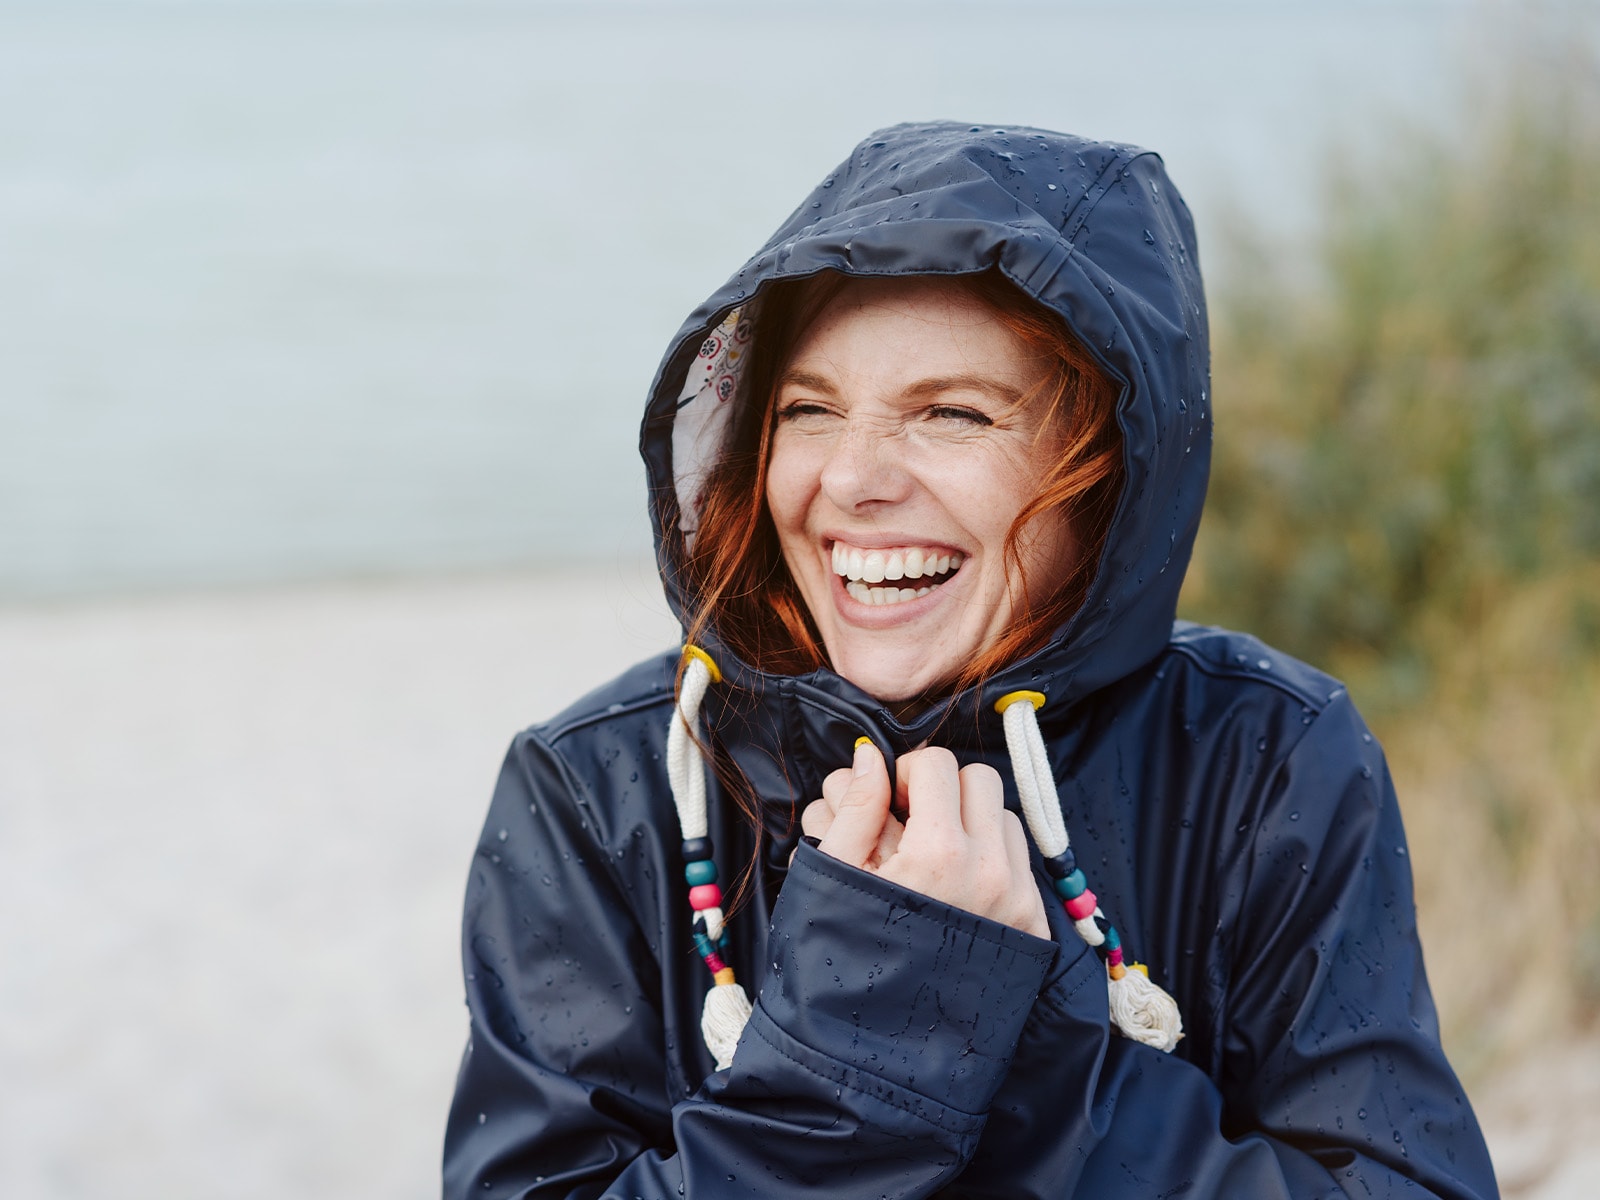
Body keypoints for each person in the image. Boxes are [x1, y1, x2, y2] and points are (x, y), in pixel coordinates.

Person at [442, 122, 1498, 1199]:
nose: (850, 479)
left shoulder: (1265, 760)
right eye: (807, 409)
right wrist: (853, 1058)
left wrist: (1039, 1053)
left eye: (950, 413)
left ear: (1111, 466)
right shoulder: (599, 787)